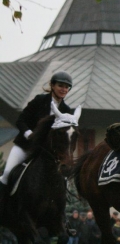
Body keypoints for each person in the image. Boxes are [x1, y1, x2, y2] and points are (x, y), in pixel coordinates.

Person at [0, 71, 73, 199]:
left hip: (47, 153)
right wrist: (29, 134)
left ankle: (60, 213)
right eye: (61, 85)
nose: (64, 89)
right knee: (7, 173)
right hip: (26, 146)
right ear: (52, 85)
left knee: (62, 179)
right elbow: (21, 120)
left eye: (67, 87)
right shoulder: (39, 100)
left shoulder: (66, 110)